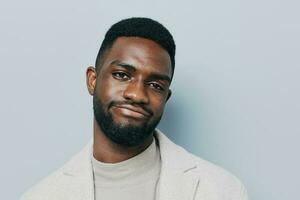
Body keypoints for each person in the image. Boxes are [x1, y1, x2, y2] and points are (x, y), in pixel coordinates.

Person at [21, 17, 248, 200]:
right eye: (121, 75)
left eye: (155, 85)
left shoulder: (222, 190)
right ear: (93, 80)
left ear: (166, 98)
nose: (137, 94)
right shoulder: (43, 195)